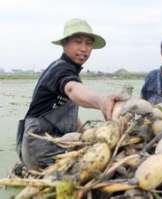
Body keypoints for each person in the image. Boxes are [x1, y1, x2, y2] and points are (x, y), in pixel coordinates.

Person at [17, 18, 121, 170]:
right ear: (65, 43)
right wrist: (101, 100)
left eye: (88, 43)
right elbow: (72, 89)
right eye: (78, 42)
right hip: (42, 148)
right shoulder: (61, 69)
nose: (84, 48)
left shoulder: (69, 70)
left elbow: (66, 112)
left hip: (49, 144)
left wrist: (86, 133)